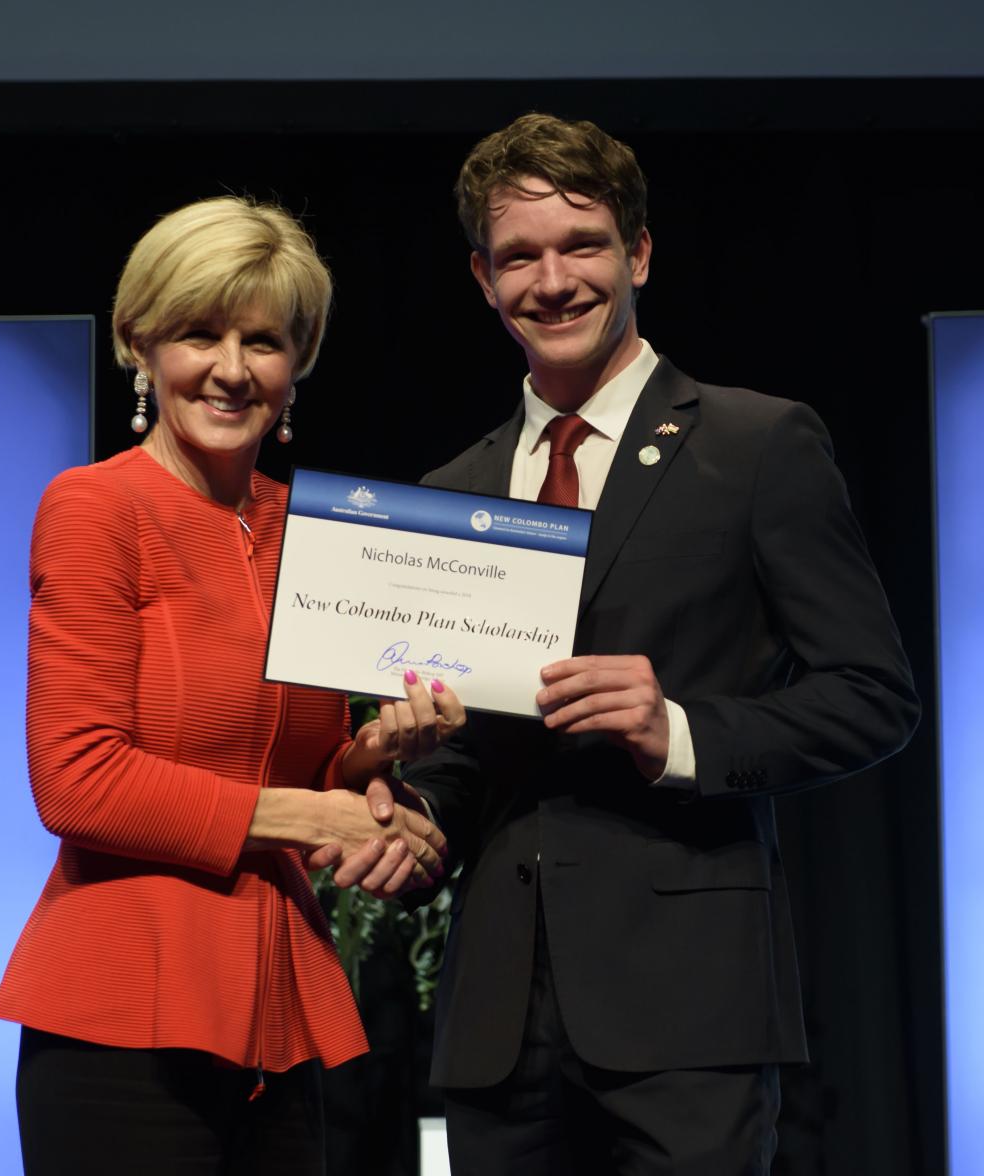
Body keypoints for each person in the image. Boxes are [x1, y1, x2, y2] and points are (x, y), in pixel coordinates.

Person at [386, 114, 922, 1174]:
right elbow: (470, 760)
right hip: (497, 1021)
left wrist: (676, 730)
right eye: (519, 256)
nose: (553, 280)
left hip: (690, 1012)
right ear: (482, 279)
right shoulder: (450, 495)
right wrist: (415, 810)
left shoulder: (758, 444)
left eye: (581, 244)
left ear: (637, 252)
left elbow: (872, 695)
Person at [0, 195, 461, 1176]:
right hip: (122, 1013)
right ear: (138, 342)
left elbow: (310, 764)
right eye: (200, 334)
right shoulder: (92, 508)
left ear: (304, 358)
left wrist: (373, 763)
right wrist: (313, 818)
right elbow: (76, 778)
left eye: (265, 340)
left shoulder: (313, 532)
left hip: (278, 1011)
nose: (233, 369)